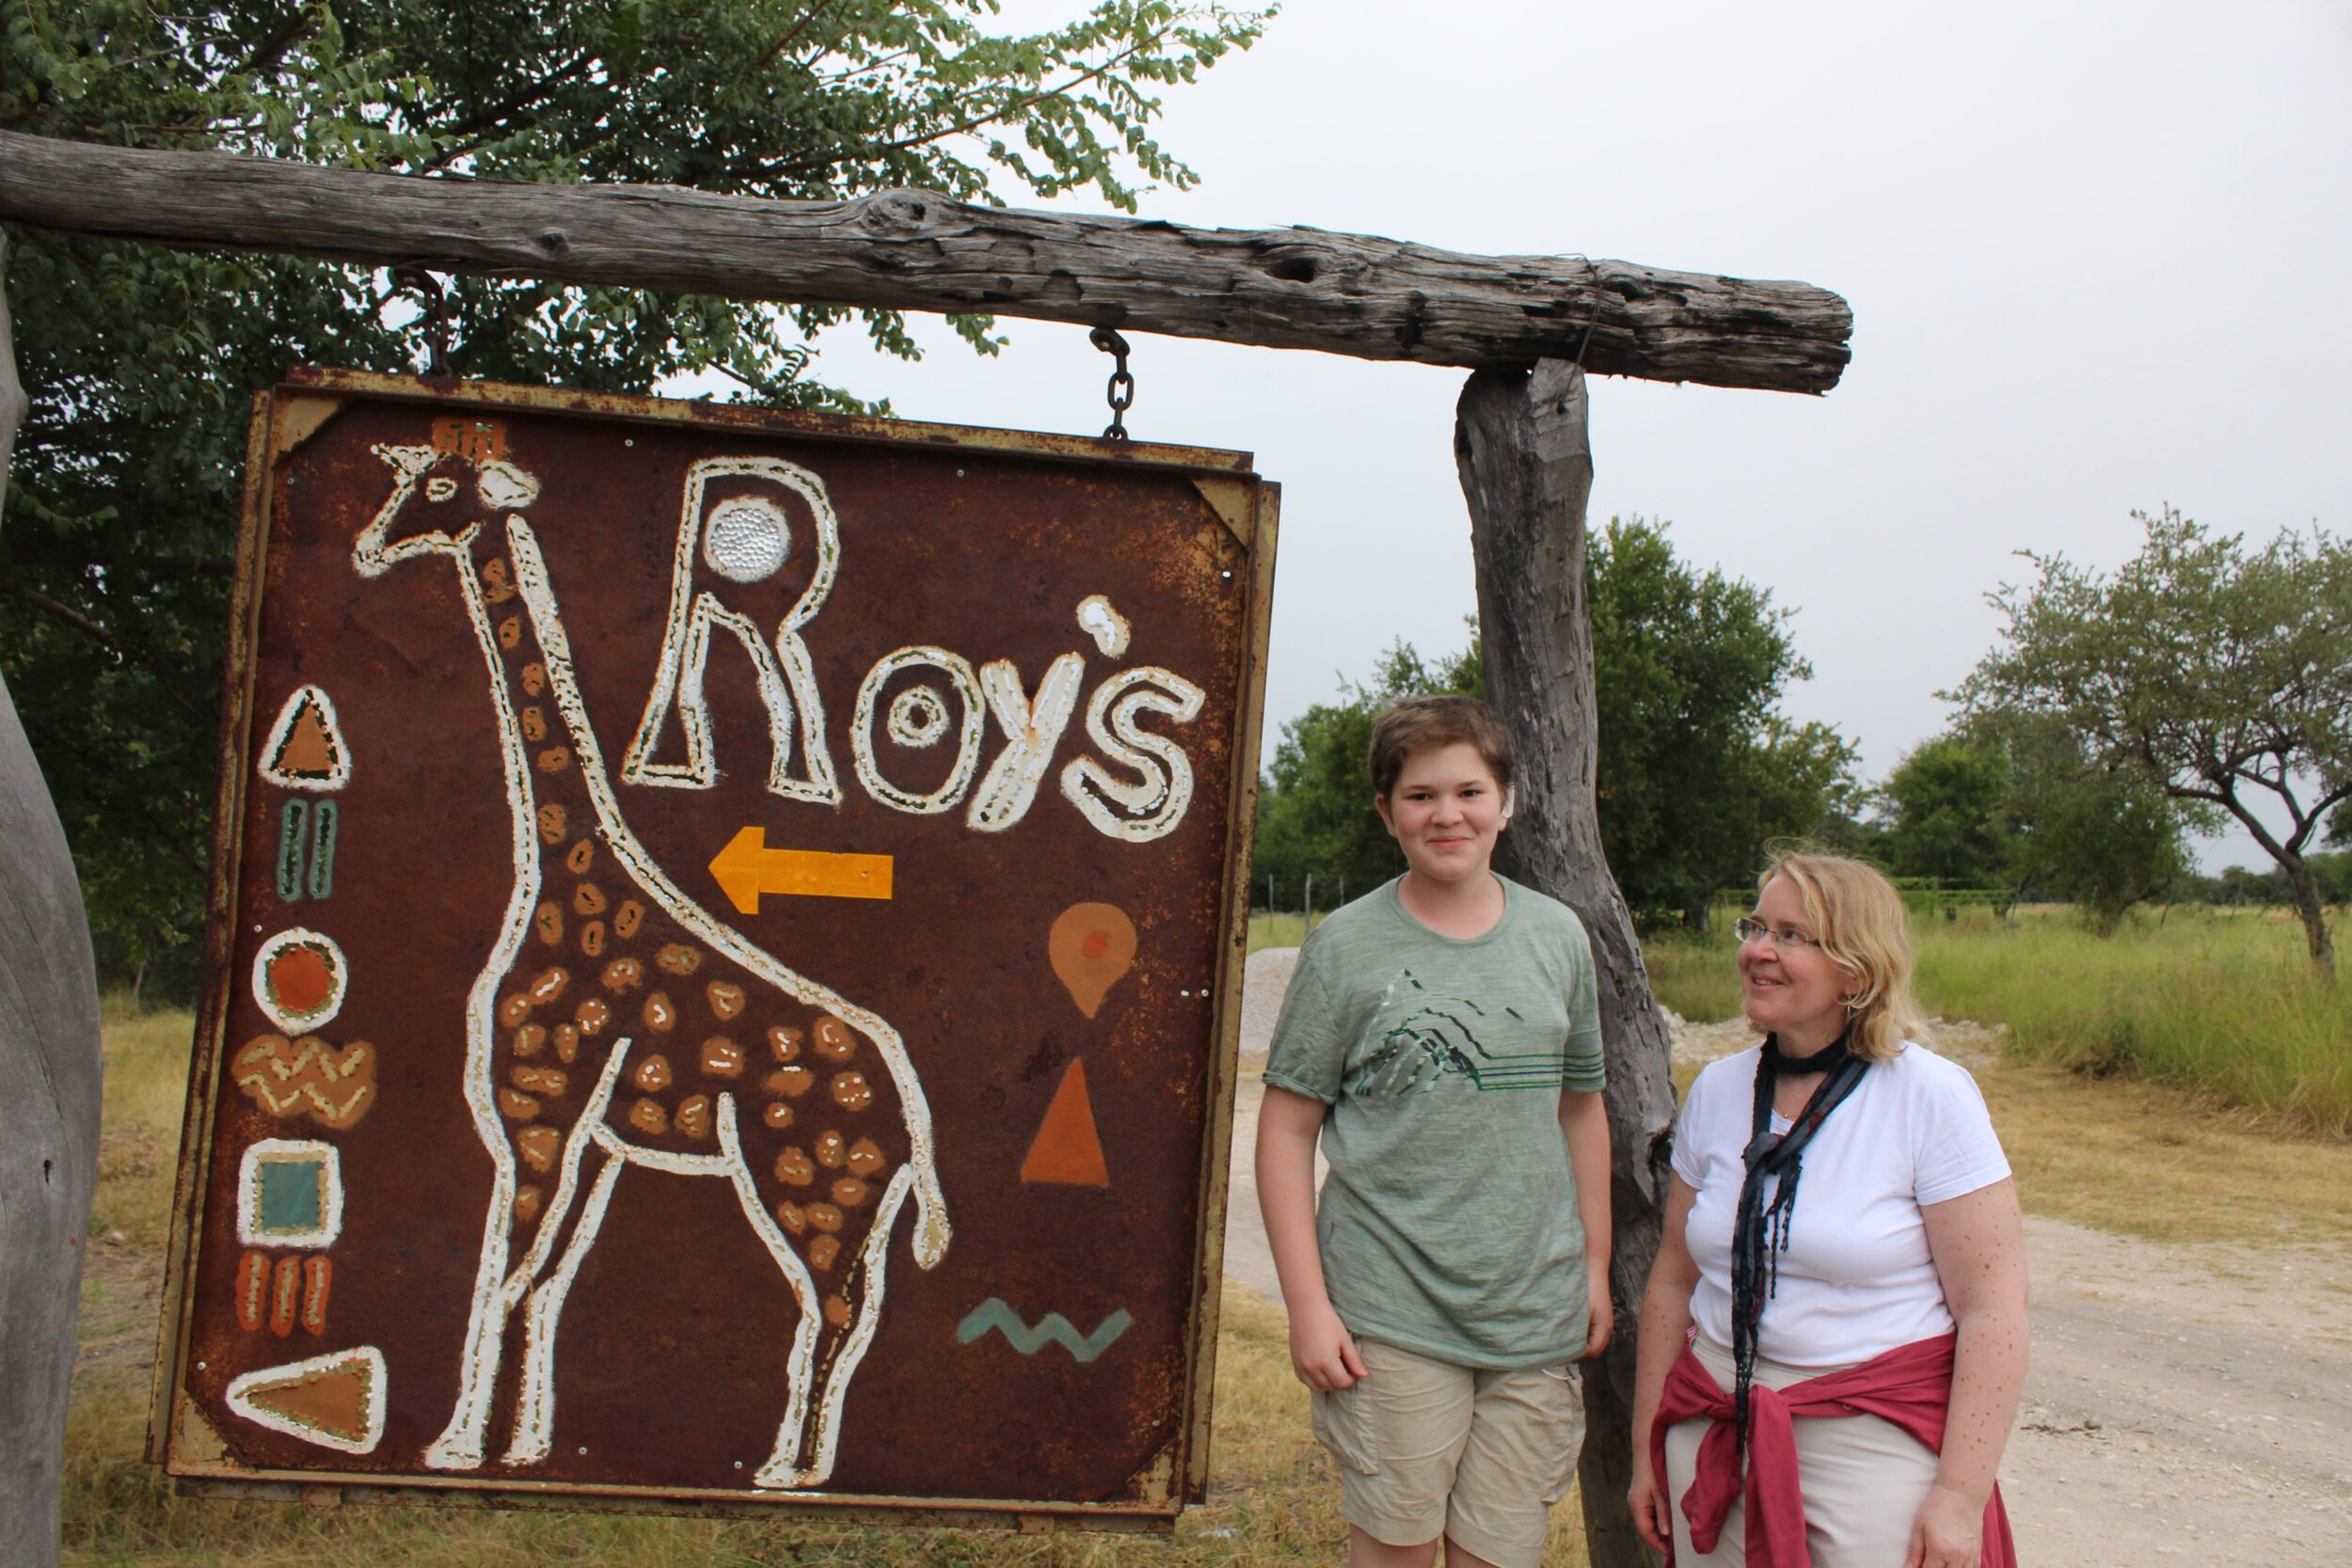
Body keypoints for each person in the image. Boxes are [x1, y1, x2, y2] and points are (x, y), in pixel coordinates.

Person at [1256, 694, 1613, 1568]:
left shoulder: (1558, 937)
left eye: (1468, 791)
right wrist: (1308, 1305)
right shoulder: (1345, 946)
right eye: (1420, 795)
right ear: (1386, 812)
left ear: (1508, 801)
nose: (1446, 814)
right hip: (1390, 1306)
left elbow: (1581, 1106)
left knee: (1501, 1552)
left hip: (1535, 1310)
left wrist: (1596, 1268)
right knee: (1399, 1548)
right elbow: (1287, 1126)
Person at [1627, 852, 2028, 1568]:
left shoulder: (1929, 1097)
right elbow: (1672, 1280)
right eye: (1755, 927)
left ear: (1858, 968)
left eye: (1791, 935)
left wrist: (1960, 1497)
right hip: (1712, 1429)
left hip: (1868, 1446)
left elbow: (1993, 1308)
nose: (1758, 950)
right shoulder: (1718, 1091)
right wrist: (1646, 1449)